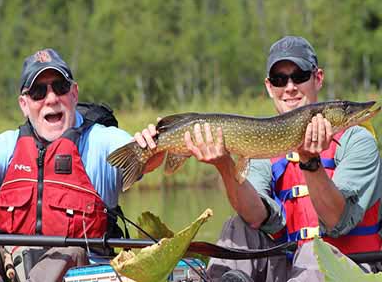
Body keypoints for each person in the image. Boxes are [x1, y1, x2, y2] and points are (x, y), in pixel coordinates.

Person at [136, 36, 382, 282]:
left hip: (346, 269)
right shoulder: (265, 144)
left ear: (317, 78)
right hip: (287, 265)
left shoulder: (358, 142)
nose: (289, 87)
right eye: (279, 79)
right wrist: (224, 164)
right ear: (269, 86)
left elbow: (336, 221)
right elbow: (256, 216)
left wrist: (309, 161)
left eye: (299, 76)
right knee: (239, 228)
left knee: (312, 253)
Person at [0, 48, 159, 282]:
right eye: (38, 92)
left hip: (83, 274)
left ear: (74, 94)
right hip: (14, 271)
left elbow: (145, 158)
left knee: (71, 251)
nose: (52, 98)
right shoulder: (7, 147)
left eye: (60, 87)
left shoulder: (101, 141)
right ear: (24, 104)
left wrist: (153, 148)